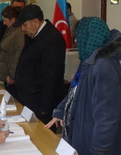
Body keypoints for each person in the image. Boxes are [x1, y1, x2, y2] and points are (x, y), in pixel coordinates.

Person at [45, 17, 121, 155]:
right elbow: (74, 91)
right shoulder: (89, 59)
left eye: (79, 36)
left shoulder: (105, 66)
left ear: (89, 36)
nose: (76, 40)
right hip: (82, 133)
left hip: (94, 142)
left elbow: (107, 117)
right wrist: (61, 111)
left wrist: (99, 149)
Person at [13, 5, 66, 132]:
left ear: (35, 22)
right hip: (31, 99)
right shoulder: (37, 35)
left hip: (41, 104)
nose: (22, 29)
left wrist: (45, 107)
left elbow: (52, 76)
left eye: (24, 25)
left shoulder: (52, 39)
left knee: (42, 139)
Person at [0, 6, 24, 101]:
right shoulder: (11, 29)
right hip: (8, 75)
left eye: (5, 20)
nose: (4, 23)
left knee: (16, 102)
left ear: (13, 19)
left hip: (12, 78)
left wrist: (13, 76)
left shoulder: (19, 32)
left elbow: (18, 56)